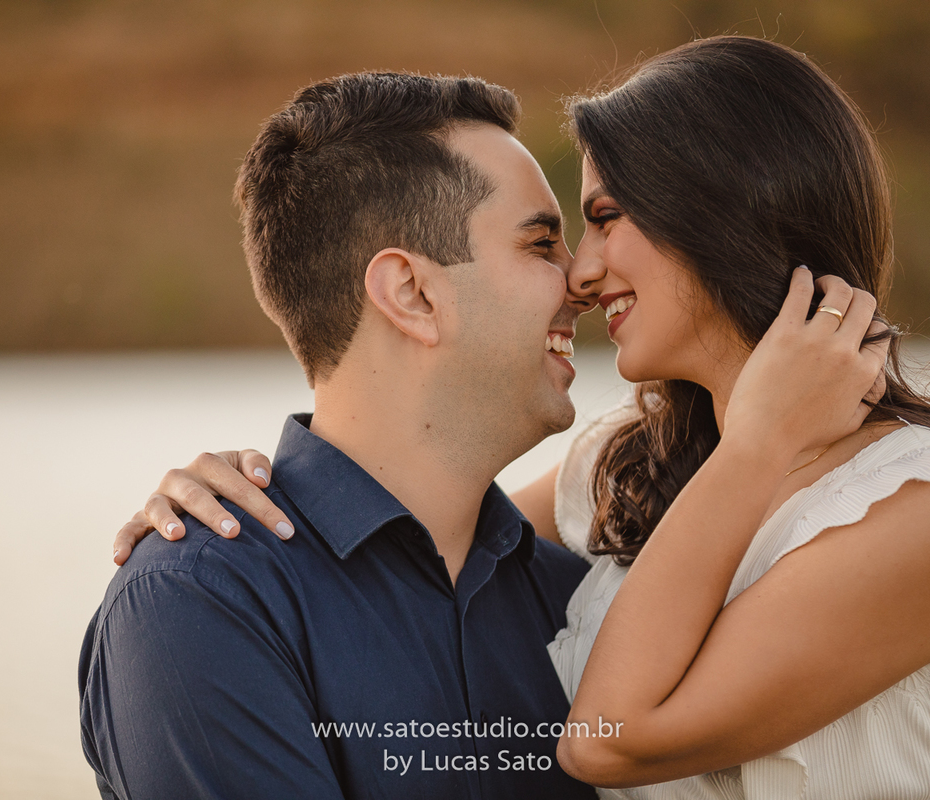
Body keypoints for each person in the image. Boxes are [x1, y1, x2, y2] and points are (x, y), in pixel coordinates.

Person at [109, 37, 930, 799]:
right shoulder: (630, 468)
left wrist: (764, 441)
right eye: (555, 236)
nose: (582, 273)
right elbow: (403, 514)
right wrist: (215, 497)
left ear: (721, 212)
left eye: (605, 217)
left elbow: (612, 737)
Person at [79, 72, 606, 799]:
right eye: (543, 243)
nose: (584, 280)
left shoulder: (581, 602)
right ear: (412, 294)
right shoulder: (197, 604)